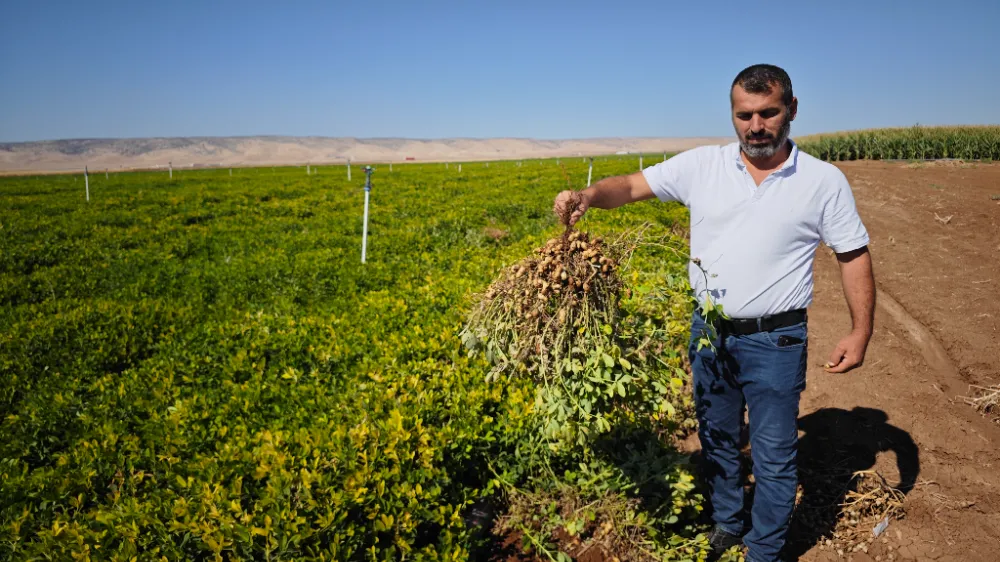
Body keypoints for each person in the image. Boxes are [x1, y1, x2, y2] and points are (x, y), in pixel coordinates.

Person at [552, 64, 875, 561]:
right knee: (718, 437)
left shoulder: (822, 181)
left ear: (791, 109)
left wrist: (861, 331)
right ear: (733, 115)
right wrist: (589, 196)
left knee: (773, 455)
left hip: (776, 340)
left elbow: (852, 255)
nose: (757, 125)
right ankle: (728, 521)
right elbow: (632, 186)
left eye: (768, 112)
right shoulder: (701, 166)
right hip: (709, 333)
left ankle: (764, 550)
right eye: (745, 115)